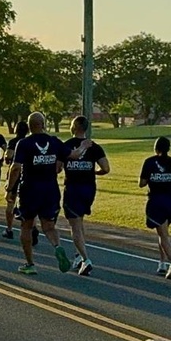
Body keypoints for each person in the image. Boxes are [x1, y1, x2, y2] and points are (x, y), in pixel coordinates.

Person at [6, 112, 93, 275]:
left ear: (30, 125)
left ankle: (30, 263)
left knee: (26, 225)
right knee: (49, 226)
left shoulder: (24, 143)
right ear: (44, 124)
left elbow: (16, 167)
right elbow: (74, 155)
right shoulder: (53, 142)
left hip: (29, 191)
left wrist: (9, 187)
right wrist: (84, 146)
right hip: (50, 190)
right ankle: (58, 247)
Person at [62, 116, 110, 276]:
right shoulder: (94, 147)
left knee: (74, 226)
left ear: (75, 127)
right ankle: (78, 255)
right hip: (89, 189)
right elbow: (106, 168)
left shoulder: (67, 146)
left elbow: (57, 168)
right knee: (79, 221)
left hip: (73, 189)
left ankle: (85, 259)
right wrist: (92, 171)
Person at [139, 136, 171, 280]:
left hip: (157, 201)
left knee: (163, 235)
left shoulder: (149, 162)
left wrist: (152, 179)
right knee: (163, 231)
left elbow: (142, 183)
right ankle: (161, 263)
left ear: (156, 148)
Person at [3, 120, 30, 240]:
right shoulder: (29, 142)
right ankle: (31, 227)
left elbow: (8, 156)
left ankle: (9, 228)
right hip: (28, 174)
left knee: (10, 200)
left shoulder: (14, 142)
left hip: (15, 173)